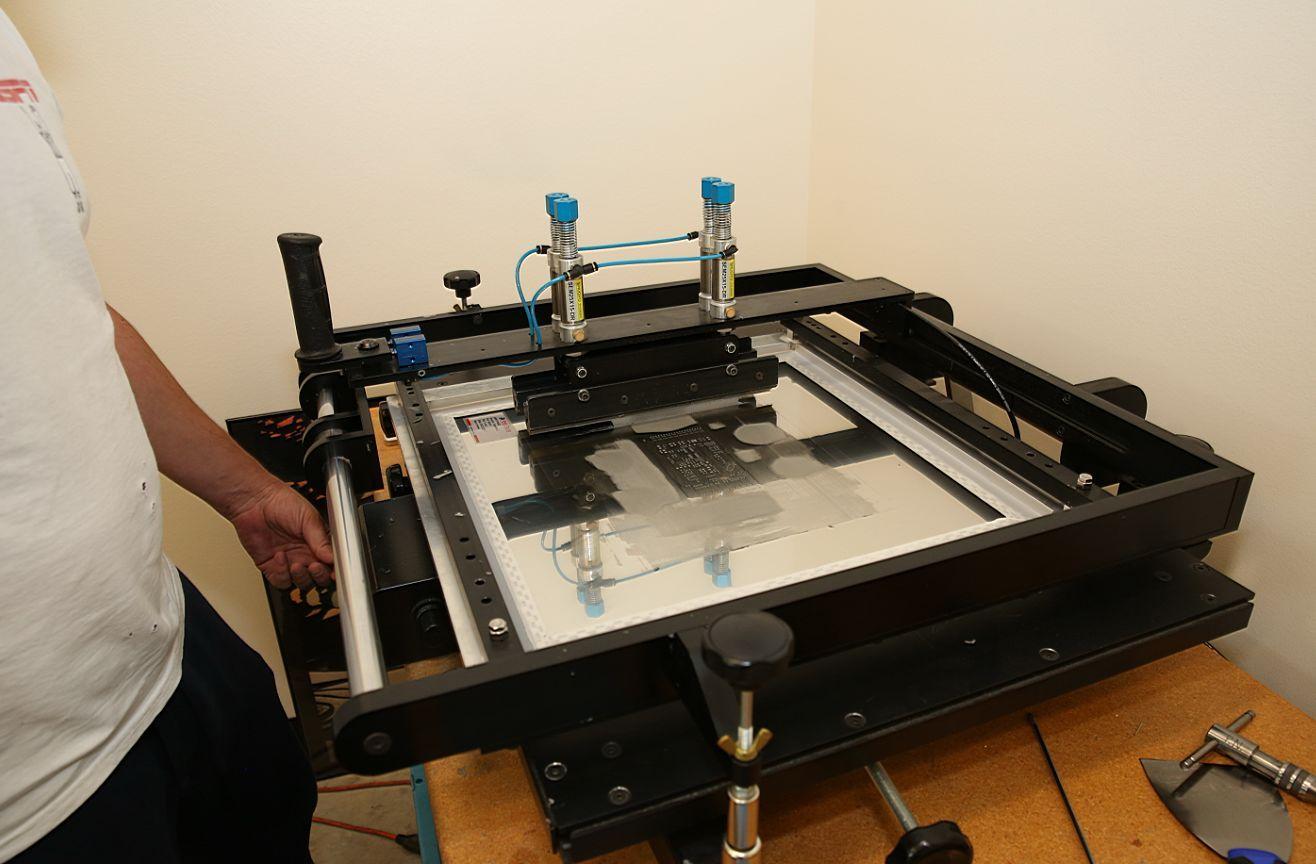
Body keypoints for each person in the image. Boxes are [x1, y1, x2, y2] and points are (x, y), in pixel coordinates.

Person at [1, 11, 331, 861]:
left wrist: (248, 491)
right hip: (26, 788)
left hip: (156, 638)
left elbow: (65, 307)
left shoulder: (8, 42)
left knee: (276, 796)